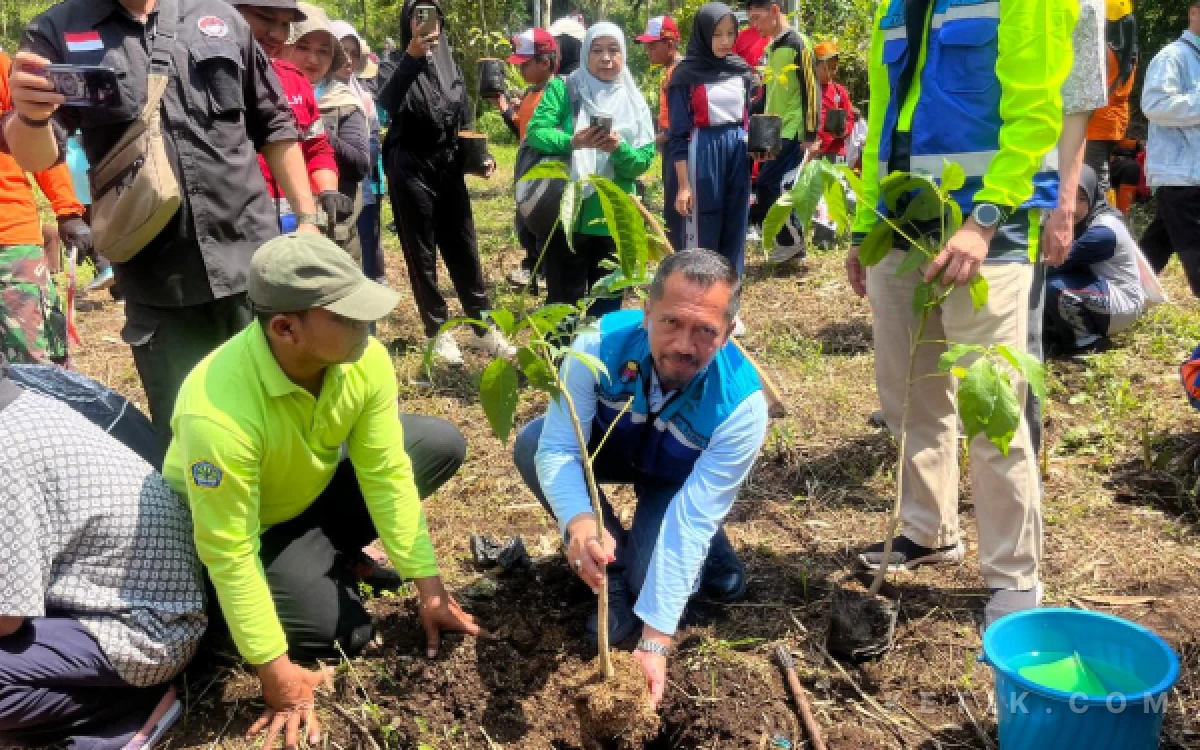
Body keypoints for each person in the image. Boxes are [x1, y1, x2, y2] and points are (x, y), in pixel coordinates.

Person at [164, 233, 484, 748]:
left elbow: (386, 472)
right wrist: (275, 673)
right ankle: (237, 611)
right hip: (243, 529)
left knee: (437, 442)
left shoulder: (363, 359)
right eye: (349, 317)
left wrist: (430, 588)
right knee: (343, 633)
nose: (368, 327)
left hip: (304, 491)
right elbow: (228, 548)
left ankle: (326, 554)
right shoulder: (217, 412)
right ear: (286, 328)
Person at [848, 0, 1075, 629]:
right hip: (902, 231)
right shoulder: (892, 9)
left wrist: (985, 218)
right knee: (909, 397)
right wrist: (867, 228)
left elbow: (1035, 116)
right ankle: (928, 528)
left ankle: (1014, 573)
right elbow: (884, 123)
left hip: (986, 238)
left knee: (991, 406)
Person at [6, 0, 321, 443]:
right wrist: (32, 116)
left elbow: (273, 123)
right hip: (159, 284)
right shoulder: (57, 29)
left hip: (253, 264)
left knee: (286, 418)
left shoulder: (220, 17)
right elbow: (36, 154)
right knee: (192, 439)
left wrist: (307, 219)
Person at [513, 250, 768, 706]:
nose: (684, 345)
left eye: (705, 331)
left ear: (729, 333)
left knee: (659, 573)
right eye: (670, 322)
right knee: (534, 442)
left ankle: (715, 558)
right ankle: (608, 575)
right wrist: (580, 520)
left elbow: (692, 518)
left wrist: (654, 640)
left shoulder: (741, 405)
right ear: (647, 312)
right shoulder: (596, 347)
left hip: (678, 479)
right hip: (613, 449)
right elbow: (560, 448)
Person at [0, 351, 207, 750]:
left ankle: (123, 714)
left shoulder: (5, 451)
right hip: (102, 602)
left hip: (143, 631)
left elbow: (6, 619)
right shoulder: (20, 405)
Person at [379, 0, 514, 366]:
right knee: (421, 251)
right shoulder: (393, 61)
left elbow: (463, 114)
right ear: (408, 23)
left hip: (448, 165)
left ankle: (484, 327)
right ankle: (437, 329)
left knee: (464, 246)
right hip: (410, 165)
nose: (426, 24)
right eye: (418, 17)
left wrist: (479, 156)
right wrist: (411, 56)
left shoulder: (449, 61)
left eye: (432, 16)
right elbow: (388, 102)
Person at [525, 22, 657, 318]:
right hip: (568, 212)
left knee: (607, 304)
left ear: (623, 54)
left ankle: (599, 361)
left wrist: (617, 149)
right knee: (563, 304)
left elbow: (643, 161)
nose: (606, 58)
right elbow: (536, 132)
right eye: (597, 50)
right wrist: (573, 141)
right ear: (586, 54)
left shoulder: (634, 101)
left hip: (615, 216)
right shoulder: (566, 87)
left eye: (613, 50)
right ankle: (562, 362)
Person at [231, 0, 346, 239]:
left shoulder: (295, 80)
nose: (276, 34)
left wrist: (328, 189)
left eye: (285, 24)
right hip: (234, 225)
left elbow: (317, 147)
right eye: (265, 17)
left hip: (293, 223)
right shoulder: (199, 77)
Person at [0, 51, 85, 366]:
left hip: (8, 243)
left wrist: (68, 210)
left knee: (40, 365)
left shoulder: (2, 67)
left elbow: (34, 129)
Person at [667, 4, 755, 278]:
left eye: (731, 33)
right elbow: (678, 133)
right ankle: (701, 290)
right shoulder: (685, 75)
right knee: (704, 222)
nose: (725, 41)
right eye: (717, 34)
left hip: (738, 149)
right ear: (704, 35)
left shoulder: (742, 71)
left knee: (736, 220)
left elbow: (750, 118)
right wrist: (683, 186)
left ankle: (730, 294)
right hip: (702, 150)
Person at [285, 4, 370, 252]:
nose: (313, 59)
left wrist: (315, 129)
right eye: (303, 47)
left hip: (335, 230)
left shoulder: (343, 101)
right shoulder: (261, 96)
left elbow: (360, 163)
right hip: (279, 225)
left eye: (323, 51)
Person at [745, 0, 821, 261]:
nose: (755, 25)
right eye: (751, 19)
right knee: (771, 185)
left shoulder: (798, 43)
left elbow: (812, 90)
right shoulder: (772, 47)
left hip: (794, 129)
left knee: (771, 186)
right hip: (775, 130)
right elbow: (769, 93)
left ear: (775, 11)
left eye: (757, 18)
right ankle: (791, 242)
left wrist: (811, 136)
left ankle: (794, 240)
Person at [1044, 165, 1147, 353]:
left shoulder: (1102, 232)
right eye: (1065, 198)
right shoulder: (1079, 220)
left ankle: (1087, 342)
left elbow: (1052, 264)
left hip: (1121, 303)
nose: (1072, 208)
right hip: (1095, 287)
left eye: (1081, 199)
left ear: (1092, 196)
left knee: (1055, 288)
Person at [1139, 0, 1200, 298]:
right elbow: (1154, 105)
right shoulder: (1173, 57)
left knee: (1154, 248)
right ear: (1193, 12)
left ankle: (1116, 300)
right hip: (1182, 176)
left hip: (1190, 175)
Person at [492, 27, 559, 290]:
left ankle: (544, 270)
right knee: (525, 218)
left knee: (542, 218)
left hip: (543, 165)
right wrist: (505, 109)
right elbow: (520, 127)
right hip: (525, 162)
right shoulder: (531, 94)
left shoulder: (554, 94)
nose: (520, 71)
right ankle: (533, 265)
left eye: (525, 64)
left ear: (545, 62)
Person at [332, 21, 387, 283]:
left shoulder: (362, 98)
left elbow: (370, 149)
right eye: (341, 51)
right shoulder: (304, 91)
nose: (348, 60)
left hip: (360, 189)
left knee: (364, 244)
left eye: (353, 54)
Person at [635, 15, 684, 251]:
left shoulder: (679, 73)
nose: (649, 52)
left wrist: (653, 140)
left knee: (677, 205)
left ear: (670, 44)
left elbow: (680, 121)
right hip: (671, 143)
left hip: (678, 147)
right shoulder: (671, 71)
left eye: (653, 46)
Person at [1085, 0, 1139, 197]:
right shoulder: (1128, 50)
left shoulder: (1105, 50)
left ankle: (1104, 222)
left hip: (1095, 122)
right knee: (1099, 178)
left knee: (1095, 182)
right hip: (1112, 122)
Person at [812, 41, 855, 164]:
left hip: (835, 151)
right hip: (812, 150)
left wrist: (843, 130)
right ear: (814, 66)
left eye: (834, 67)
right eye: (826, 68)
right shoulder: (808, 90)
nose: (831, 72)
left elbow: (850, 117)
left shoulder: (839, 91)